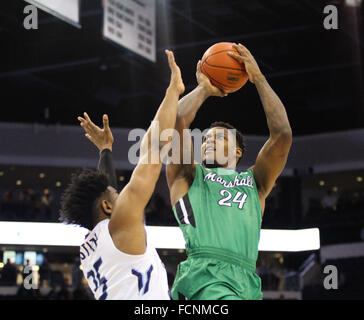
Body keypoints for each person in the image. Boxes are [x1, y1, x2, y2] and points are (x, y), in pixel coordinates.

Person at [166, 43, 292, 300]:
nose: (208, 141)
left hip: (246, 281)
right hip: (205, 277)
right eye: (205, 139)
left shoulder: (255, 182)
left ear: (237, 151)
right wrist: (203, 89)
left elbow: (282, 135)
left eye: (220, 138)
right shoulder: (188, 176)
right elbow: (174, 121)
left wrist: (257, 78)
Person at [59, 50, 185, 300]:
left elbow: (107, 190)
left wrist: (105, 150)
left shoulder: (89, 246)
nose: (122, 193)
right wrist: (173, 90)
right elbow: (154, 147)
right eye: (118, 194)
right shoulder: (118, 224)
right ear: (107, 206)